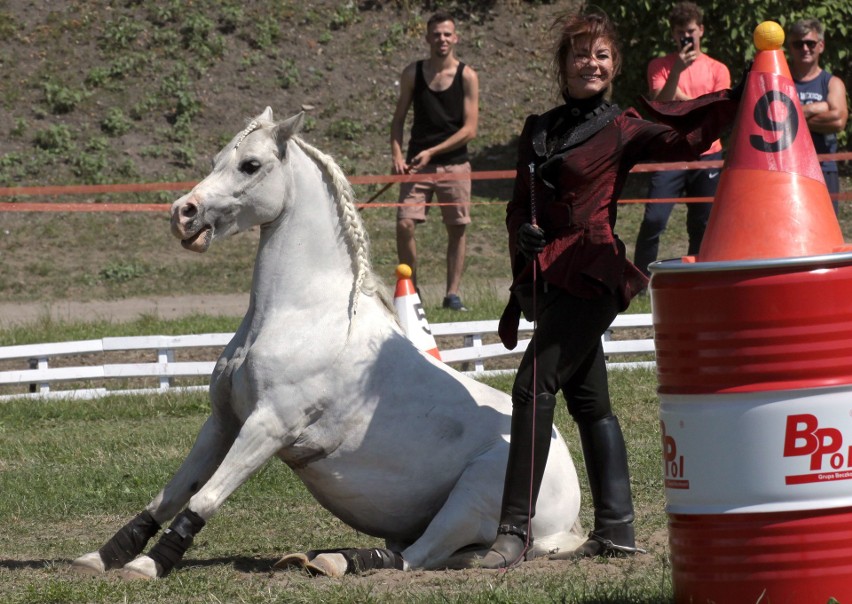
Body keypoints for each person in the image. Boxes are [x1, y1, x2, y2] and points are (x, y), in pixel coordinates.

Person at [480, 8, 740, 568]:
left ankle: (513, 532)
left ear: (614, 65)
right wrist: (522, 237)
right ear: (563, 65)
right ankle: (617, 529)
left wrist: (748, 94)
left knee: (532, 386)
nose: (591, 63)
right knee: (590, 401)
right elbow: (516, 206)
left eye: (601, 55)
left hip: (593, 272)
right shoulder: (539, 128)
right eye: (581, 54)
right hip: (548, 275)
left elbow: (683, 132)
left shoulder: (622, 126)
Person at [633, 2, 731, 277]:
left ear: (700, 30)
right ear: (673, 35)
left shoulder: (717, 69)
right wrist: (676, 71)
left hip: (708, 153)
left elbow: (716, 112)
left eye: (690, 31)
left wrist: (681, 102)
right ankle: (640, 278)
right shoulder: (660, 66)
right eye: (680, 32)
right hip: (669, 151)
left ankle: (698, 276)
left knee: (702, 222)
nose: (686, 37)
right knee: (654, 219)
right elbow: (659, 103)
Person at [390, 11, 480, 311]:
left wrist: (434, 151)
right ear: (427, 38)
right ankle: (411, 289)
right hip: (418, 165)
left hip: (455, 164)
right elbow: (398, 119)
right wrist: (397, 154)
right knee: (404, 223)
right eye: (436, 34)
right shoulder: (413, 73)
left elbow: (470, 129)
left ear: (455, 38)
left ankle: (452, 294)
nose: (441, 39)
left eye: (447, 34)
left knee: (457, 228)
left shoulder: (467, 75)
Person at [788, 18, 848, 215]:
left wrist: (793, 115)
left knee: (826, 230)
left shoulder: (832, 83)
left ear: (820, 46)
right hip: (788, 168)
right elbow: (773, 121)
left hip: (824, 167)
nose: (805, 48)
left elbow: (838, 120)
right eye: (798, 44)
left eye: (810, 43)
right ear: (790, 47)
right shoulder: (782, 80)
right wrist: (818, 108)